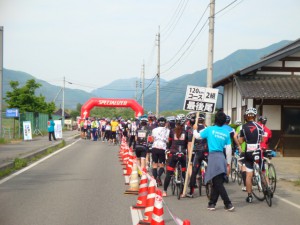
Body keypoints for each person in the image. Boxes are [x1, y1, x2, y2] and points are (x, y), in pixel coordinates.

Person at [193, 111, 234, 211]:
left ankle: (228, 203)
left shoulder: (210, 129)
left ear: (215, 120)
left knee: (217, 182)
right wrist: (228, 163)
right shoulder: (226, 133)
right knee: (217, 181)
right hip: (222, 157)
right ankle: (212, 203)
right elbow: (229, 149)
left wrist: (194, 129)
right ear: (224, 121)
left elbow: (198, 136)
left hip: (213, 157)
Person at [238, 108, 264, 203]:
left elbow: (240, 141)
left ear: (246, 117)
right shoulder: (260, 126)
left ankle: (249, 197)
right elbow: (263, 140)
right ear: (255, 116)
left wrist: (244, 139)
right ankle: (266, 187)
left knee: (249, 175)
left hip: (248, 152)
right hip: (258, 151)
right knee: (263, 170)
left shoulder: (243, 127)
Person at [163, 114, 188, 197]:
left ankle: (165, 191)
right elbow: (187, 143)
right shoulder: (186, 132)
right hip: (183, 153)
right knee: (184, 172)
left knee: (169, 172)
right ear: (184, 123)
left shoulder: (172, 131)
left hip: (173, 153)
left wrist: (168, 149)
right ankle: (182, 192)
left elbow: (169, 142)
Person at [187, 113, 207, 197]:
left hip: (198, 151)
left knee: (194, 171)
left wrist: (189, 156)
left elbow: (190, 144)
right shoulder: (208, 128)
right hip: (207, 150)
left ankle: (191, 191)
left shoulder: (192, 130)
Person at [151, 116, 170, 187]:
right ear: (165, 123)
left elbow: (152, 139)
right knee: (162, 165)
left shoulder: (154, 130)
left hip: (155, 147)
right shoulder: (168, 130)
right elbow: (168, 140)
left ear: (158, 123)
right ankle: (159, 176)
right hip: (163, 148)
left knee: (154, 165)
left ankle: (155, 179)